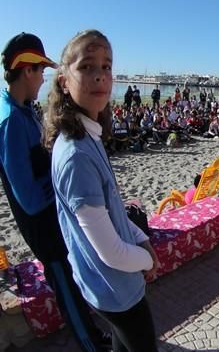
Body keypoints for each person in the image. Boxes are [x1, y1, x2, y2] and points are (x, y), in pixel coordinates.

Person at [44, 29, 159, 352]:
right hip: (113, 287)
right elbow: (109, 251)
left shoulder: (87, 134)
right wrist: (147, 261)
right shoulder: (77, 154)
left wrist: (140, 238)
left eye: (107, 66)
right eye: (87, 67)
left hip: (110, 283)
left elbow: (111, 210)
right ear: (64, 81)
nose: (100, 76)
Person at [0, 32, 110, 351]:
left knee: (73, 274)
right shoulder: (9, 123)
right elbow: (30, 199)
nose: (44, 79)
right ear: (27, 70)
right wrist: (62, 177)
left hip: (51, 214)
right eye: (41, 71)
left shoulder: (24, 110)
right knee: (65, 283)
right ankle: (89, 343)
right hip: (42, 226)